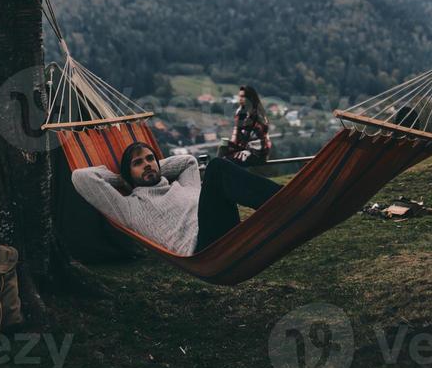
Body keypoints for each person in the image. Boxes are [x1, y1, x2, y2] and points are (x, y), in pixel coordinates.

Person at [71, 141, 281, 255]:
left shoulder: (184, 184)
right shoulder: (129, 208)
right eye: (138, 163)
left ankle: (284, 201)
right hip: (206, 250)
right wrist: (120, 178)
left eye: (150, 159)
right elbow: (81, 177)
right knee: (217, 168)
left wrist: (157, 168)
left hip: (228, 233)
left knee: (218, 170)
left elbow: (188, 161)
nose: (147, 164)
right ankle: (281, 200)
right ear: (129, 174)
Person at [223, 85, 272, 166]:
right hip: (244, 148)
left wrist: (237, 150)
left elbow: (258, 140)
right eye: (239, 96)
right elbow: (236, 135)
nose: (240, 99)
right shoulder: (240, 113)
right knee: (223, 146)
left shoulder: (258, 115)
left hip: (257, 152)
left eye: (243, 96)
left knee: (228, 161)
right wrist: (229, 146)